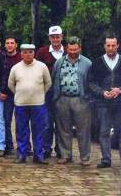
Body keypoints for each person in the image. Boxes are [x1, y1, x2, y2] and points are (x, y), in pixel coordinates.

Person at [8, 44, 52, 164]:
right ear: (21, 54)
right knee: (21, 130)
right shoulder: (15, 68)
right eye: (25, 52)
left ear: (34, 53)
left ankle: (39, 155)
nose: (28, 54)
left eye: (30, 52)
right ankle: (22, 154)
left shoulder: (42, 67)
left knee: (39, 130)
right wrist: (20, 93)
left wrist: (39, 94)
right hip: (21, 104)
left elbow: (48, 83)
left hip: (38, 104)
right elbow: (11, 84)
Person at [52, 37, 92, 166]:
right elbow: (54, 78)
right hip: (63, 98)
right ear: (67, 48)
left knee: (83, 129)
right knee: (64, 129)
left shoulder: (87, 63)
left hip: (80, 99)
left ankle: (85, 157)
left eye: (75, 49)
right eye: (70, 49)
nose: (73, 51)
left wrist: (87, 97)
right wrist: (56, 97)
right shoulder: (59, 62)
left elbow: (91, 82)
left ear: (80, 48)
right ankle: (65, 155)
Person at [89, 35, 121, 168]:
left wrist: (119, 90)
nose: (110, 48)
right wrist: (102, 92)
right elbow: (91, 82)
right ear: (104, 46)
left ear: (118, 46)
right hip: (103, 103)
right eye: (108, 45)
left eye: (113, 45)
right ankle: (106, 159)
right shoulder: (97, 62)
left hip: (120, 103)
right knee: (104, 131)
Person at [36, 25, 65, 159]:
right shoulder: (42, 52)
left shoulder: (68, 52)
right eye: (53, 37)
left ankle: (61, 149)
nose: (55, 39)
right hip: (46, 92)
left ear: (61, 37)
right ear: (49, 38)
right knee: (46, 122)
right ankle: (46, 149)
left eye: (57, 37)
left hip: (63, 93)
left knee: (61, 123)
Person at [3, 36, 22, 155]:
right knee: (6, 121)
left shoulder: (21, 57)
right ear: (5, 45)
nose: (9, 45)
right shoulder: (2, 57)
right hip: (7, 95)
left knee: (21, 122)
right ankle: (8, 145)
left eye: (12, 43)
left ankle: (24, 146)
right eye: (7, 43)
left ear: (16, 45)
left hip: (20, 94)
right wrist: (3, 91)